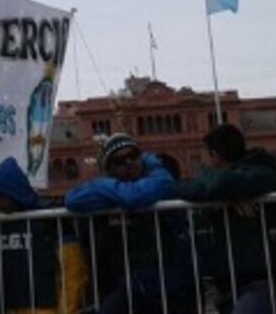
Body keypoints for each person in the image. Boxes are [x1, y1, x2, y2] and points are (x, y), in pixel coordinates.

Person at [65, 133, 197, 314]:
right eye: (119, 160)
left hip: (173, 283)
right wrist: (117, 191)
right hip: (128, 285)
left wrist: (109, 191)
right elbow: (72, 200)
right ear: (108, 169)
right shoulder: (139, 184)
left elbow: (136, 196)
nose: (129, 162)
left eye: (133, 155)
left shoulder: (160, 178)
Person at [176, 123, 276, 314]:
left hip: (261, 280)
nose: (203, 164)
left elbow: (218, 183)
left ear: (214, 155)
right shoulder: (246, 178)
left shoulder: (260, 171)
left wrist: (213, 187)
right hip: (230, 283)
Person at [0, 156, 88, 314]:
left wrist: (67, 310)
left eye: (1, 196)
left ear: (14, 191)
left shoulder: (50, 219)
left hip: (45, 307)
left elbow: (72, 270)